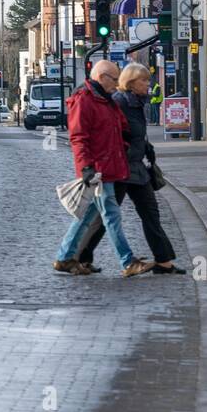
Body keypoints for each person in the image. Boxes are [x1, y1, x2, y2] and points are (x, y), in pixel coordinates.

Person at [78, 61, 185, 274]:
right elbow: (111, 134)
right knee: (104, 216)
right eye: (144, 80)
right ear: (132, 82)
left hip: (136, 168)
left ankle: (164, 261)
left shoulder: (137, 102)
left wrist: (147, 147)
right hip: (120, 168)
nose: (148, 84)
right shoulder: (119, 102)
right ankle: (80, 258)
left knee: (150, 212)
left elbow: (136, 133)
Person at [53, 59, 152, 278]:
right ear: (101, 77)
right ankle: (128, 261)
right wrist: (86, 167)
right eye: (114, 79)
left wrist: (127, 140)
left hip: (109, 167)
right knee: (112, 216)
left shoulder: (106, 100)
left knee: (88, 215)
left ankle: (64, 257)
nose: (117, 84)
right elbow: (78, 138)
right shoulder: (85, 101)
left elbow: (119, 128)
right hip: (98, 170)